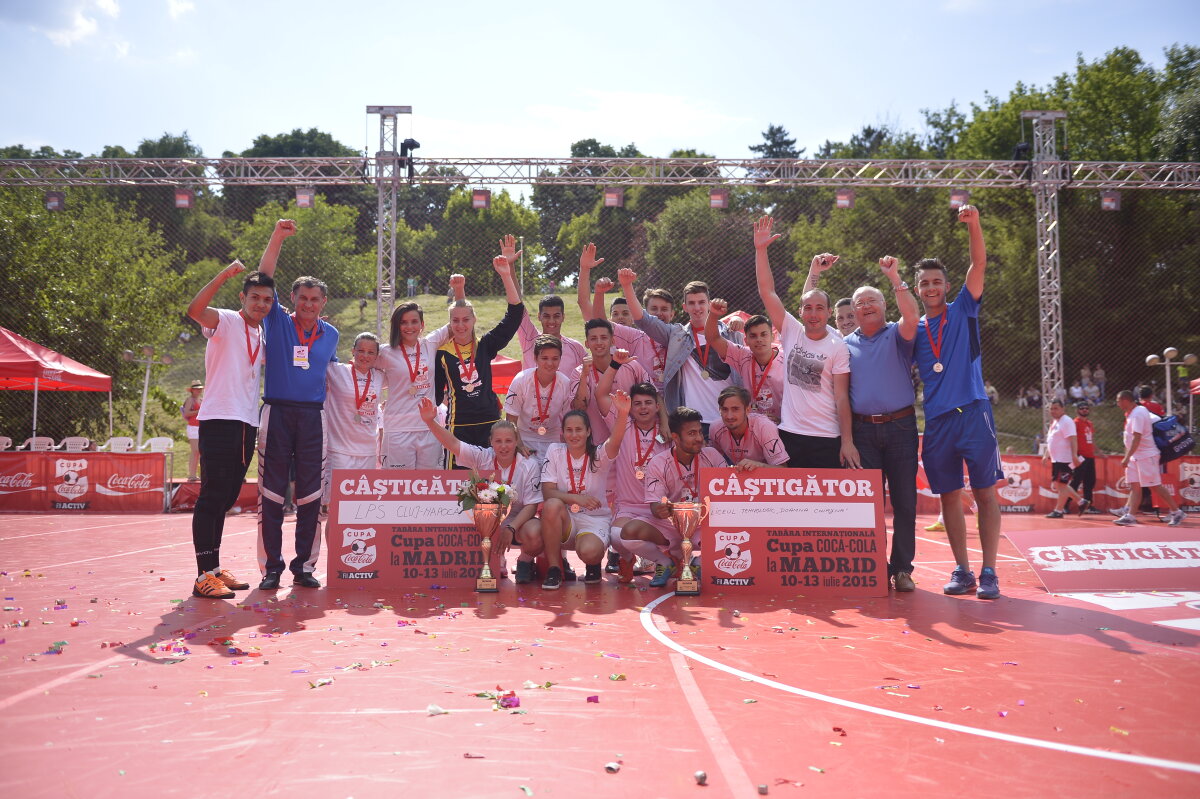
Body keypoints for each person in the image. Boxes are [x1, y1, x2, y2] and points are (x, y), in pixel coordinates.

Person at [911, 204, 1004, 600]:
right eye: (925, 284)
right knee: (948, 495)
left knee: (985, 493)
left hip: (973, 411)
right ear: (917, 289)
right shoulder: (913, 329)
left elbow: (978, 263)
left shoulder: (964, 309)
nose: (931, 288)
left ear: (946, 286)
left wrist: (975, 224)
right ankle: (963, 570)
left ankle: (989, 572)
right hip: (937, 422)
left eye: (936, 282)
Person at [254, 219, 340, 590]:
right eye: (302, 298)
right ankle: (271, 567)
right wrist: (277, 238)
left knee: (310, 495)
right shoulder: (275, 320)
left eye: (315, 299)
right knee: (271, 494)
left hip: (311, 418)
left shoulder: (332, 334)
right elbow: (262, 278)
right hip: (276, 411)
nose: (308, 303)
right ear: (292, 300)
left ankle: (304, 566)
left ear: (323, 303)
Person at [184, 258, 275, 599]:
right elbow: (194, 310)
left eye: (267, 300)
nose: (261, 304)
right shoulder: (223, 320)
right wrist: (223, 274)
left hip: (246, 423)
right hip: (219, 418)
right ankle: (202, 575)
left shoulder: (260, 332)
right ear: (242, 297)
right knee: (211, 496)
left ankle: (214, 569)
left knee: (226, 496)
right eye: (255, 298)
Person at [842, 256, 921, 592]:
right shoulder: (844, 346)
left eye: (872, 301)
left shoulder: (898, 334)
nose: (866, 307)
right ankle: (873, 567)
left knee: (904, 501)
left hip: (902, 428)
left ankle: (902, 569)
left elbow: (913, 315)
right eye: (860, 304)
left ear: (884, 305)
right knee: (868, 503)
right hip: (863, 433)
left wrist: (894, 276)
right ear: (854, 313)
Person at [753, 216, 857, 469]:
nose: (813, 313)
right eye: (807, 308)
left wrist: (847, 441)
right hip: (791, 434)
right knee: (792, 507)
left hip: (828, 438)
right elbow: (767, 291)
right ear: (800, 312)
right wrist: (761, 250)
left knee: (826, 508)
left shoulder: (837, 346)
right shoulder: (792, 331)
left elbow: (842, 398)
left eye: (819, 308)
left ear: (829, 312)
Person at [418, 399, 544, 582]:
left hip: (518, 523)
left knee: (536, 531)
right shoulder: (483, 457)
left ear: (517, 441)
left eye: (509, 441)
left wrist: (511, 527)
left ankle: (524, 560)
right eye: (498, 441)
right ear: (490, 442)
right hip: (489, 524)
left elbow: (532, 505)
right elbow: (453, 444)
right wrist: (430, 421)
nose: (503, 446)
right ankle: (494, 562)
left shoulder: (529, 464)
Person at [618, 269, 741, 435]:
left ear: (709, 304)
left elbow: (746, 373)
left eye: (701, 302)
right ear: (684, 307)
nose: (697, 308)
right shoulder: (677, 335)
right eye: (691, 303)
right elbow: (644, 320)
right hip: (693, 424)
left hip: (730, 420)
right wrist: (627, 286)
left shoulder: (731, 334)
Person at [436, 237, 524, 456]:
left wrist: (505, 274)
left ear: (474, 320)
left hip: (490, 424)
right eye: (455, 321)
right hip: (458, 427)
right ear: (450, 324)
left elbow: (514, 315)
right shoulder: (442, 353)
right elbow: (436, 395)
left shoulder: (484, 346)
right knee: (458, 486)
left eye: (466, 320)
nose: (460, 325)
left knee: (491, 485)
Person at [538, 394, 632, 589]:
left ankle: (593, 563)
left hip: (594, 519)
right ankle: (555, 569)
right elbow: (548, 493)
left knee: (589, 551)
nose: (574, 435)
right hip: (566, 520)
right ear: (562, 433)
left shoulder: (598, 455)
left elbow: (615, 440)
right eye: (569, 430)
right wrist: (577, 498)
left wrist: (623, 413)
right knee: (552, 505)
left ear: (588, 431)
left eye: (579, 430)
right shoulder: (555, 451)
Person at [633, 407, 728, 588]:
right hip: (672, 523)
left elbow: (727, 495)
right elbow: (655, 506)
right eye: (692, 433)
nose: (699, 438)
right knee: (628, 533)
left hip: (704, 523)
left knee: (736, 538)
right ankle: (665, 562)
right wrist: (661, 508)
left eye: (700, 432)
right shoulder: (658, 462)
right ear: (675, 437)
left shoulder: (712, 456)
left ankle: (695, 564)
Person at [595, 375, 672, 582]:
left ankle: (665, 560)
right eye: (637, 404)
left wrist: (665, 420)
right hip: (629, 505)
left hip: (658, 506)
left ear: (657, 406)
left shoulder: (668, 433)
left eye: (648, 403)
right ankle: (628, 558)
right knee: (617, 536)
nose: (643, 408)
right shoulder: (622, 426)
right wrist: (615, 367)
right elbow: (600, 394)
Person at [579, 248, 671, 394]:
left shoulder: (680, 336)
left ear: (672, 313)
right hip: (640, 402)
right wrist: (597, 290)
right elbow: (599, 322)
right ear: (645, 312)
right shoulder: (635, 337)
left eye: (664, 309)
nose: (659, 313)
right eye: (654, 309)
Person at [376, 294, 451, 469]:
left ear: (422, 324)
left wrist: (458, 289)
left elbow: (456, 323)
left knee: (429, 486)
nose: (409, 327)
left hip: (429, 427)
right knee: (398, 488)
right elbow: (364, 369)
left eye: (414, 321)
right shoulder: (385, 352)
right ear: (396, 325)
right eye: (403, 322)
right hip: (397, 430)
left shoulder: (430, 344)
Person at [323, 332, 384, 511]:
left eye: (371, 352)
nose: (365, 356)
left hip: (367, 453)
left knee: (362, 509)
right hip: (340, 451)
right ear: (353, 351)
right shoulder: (336, 370)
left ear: (377, 356)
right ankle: (333, 541)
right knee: (337, 508)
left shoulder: (380, 376)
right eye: (361, 351)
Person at [1111, 389, 1186, 526]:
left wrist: (1126, 457)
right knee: (1135, 486)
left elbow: (1137, 437)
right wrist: (1130, 456)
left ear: (1125, 400)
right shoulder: (1132, 413)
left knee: (1155, 486)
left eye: (1118, 401)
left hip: (1146, 455)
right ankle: (1131, 515)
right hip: (1136, 456)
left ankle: (1177, 512)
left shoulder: (1139, 413)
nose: (1117, 404)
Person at [569, 318, 650, 443]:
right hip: (597, 443)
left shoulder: (630, 365)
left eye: (604, 337)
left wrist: (664, 422)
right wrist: (584, 376)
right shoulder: (579, 372)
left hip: (631, 441)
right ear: (587, 343)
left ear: (612, 341)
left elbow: (653, 394)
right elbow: (579, 408)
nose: (599, 342)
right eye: (593, 338)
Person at [705, 311, 784, 424]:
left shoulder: (788, 360)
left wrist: (783, 421)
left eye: (763, 334)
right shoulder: (742, 355)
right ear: (746, 341)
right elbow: (713, 338)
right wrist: (713, 313)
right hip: (750, 425)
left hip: (782, 426)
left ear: (772, 337)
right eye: (753, 336)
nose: (759, 339)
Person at [503, 334, 574, 458]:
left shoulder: (565, 384)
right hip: (523, 437)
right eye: (545, 358)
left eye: (555, 358)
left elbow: (569, 420)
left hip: (552, 439)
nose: (550, 363)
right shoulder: (521, 380)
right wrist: (518, 444)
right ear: (535, 358)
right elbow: (511, 419)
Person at [708, 386, 788, 471]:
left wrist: (759, 466)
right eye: (724, 409)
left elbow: (783, 469)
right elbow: (712, 464)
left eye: (735, 409)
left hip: (766, 479)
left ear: (747, 410)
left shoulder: (764, 427)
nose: (729, 416)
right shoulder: (715, 428)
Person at [1042, 399, 1087, 518]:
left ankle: (1059, 510)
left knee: (1061, 485)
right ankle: (1081, 502)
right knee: (1058, 484)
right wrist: (1046, 454)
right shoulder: (1055, 422)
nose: (1053, 411)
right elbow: (1051, 440)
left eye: (1056, 408)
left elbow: (1073, 439)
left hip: (1065, 459)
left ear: (1063, 409)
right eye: (1051, 409)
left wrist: (1074, 456)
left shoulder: (1067, 421)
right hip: (1056, 459)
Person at [1066, 400, 1098, 512]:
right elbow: (1071, 439)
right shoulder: (1075, 423)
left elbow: (1091, 440)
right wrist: (1073, 455)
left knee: (1090, 481)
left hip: (1090, 456)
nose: (1084, 410)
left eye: (1086, 408)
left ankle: (1088, 505)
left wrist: (1099, 452)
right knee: (1076, 481)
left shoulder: (1090, 423)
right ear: (1077, 410)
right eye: (1082, 408)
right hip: (1080, 456)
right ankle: (1065, 505)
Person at [181, 380, 203, 481]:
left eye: (200, 389)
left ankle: (196, 474)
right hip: (193, 427)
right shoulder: (190, 400)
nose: (198, 390)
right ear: (192, 390)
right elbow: (187, 413)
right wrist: (199, 411)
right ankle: (192, 475)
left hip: (201, 427)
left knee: (200, 452)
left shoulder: (201, 400)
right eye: (196, 389)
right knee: (195, 451)